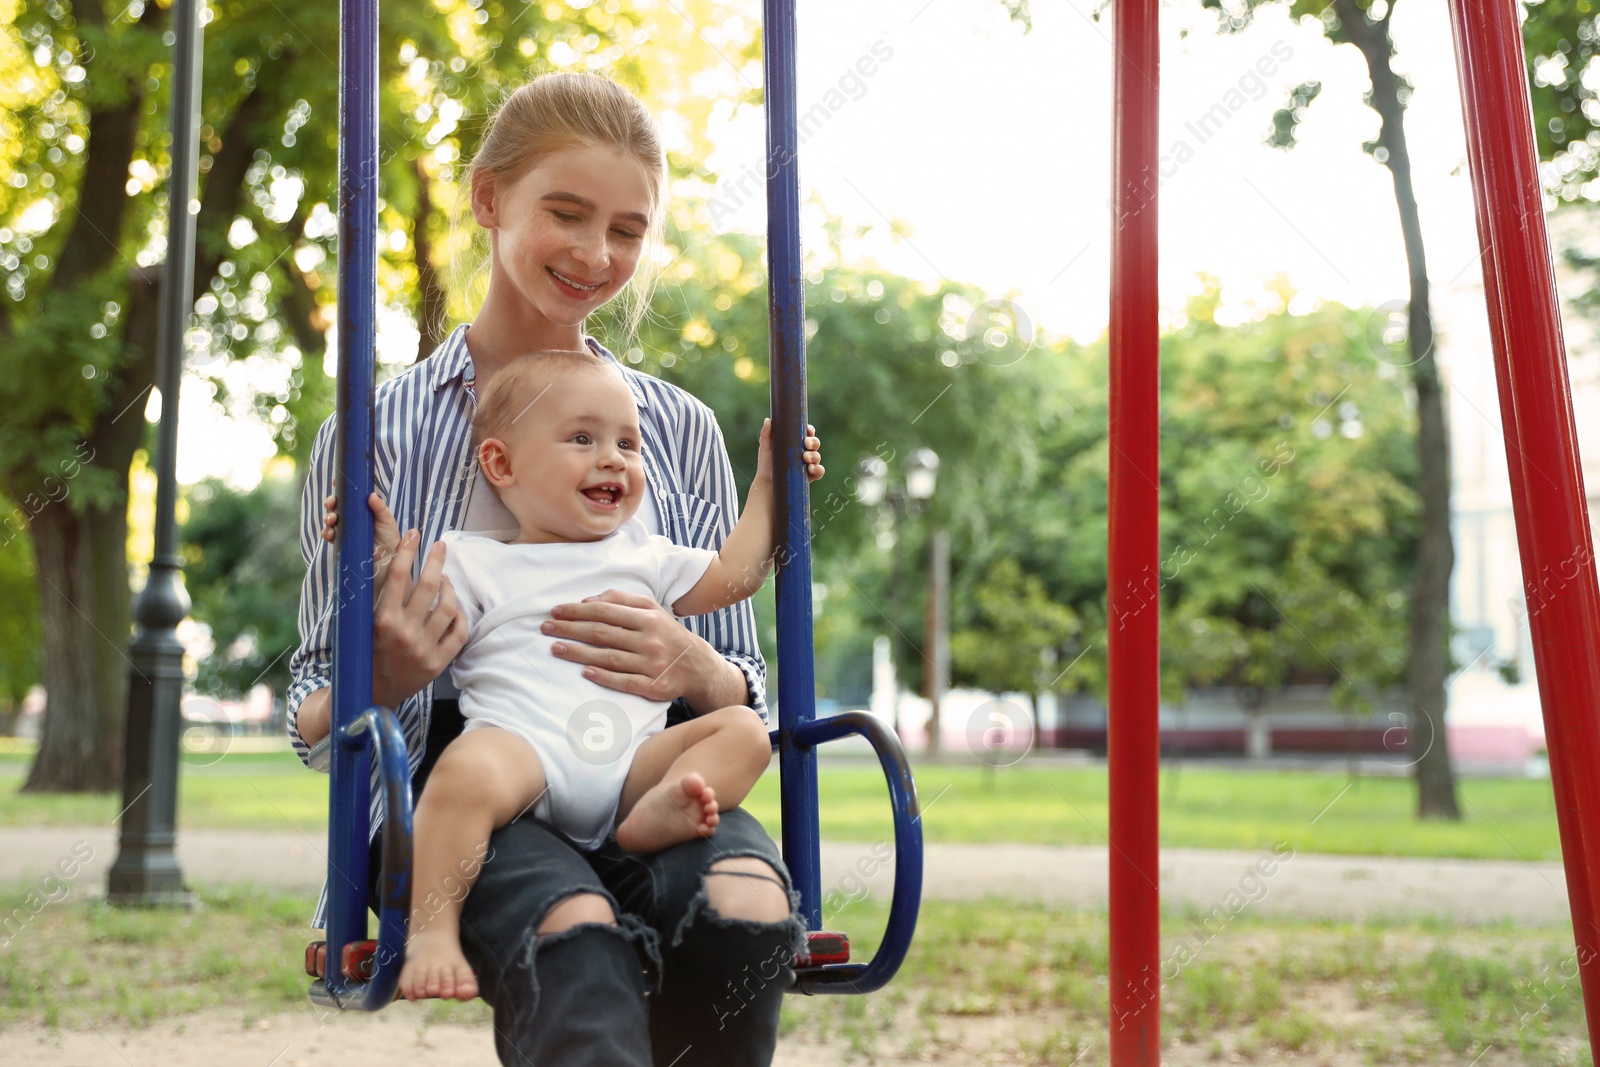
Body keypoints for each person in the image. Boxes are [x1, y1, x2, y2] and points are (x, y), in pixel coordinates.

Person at [287, 71, 812, 1066]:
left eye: (626, 229)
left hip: (648, 772)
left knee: (745, 906)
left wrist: (697, 668)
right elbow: (316, 717)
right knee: (572, 934)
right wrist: (385, 674)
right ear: (489, 200)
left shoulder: (676, 430)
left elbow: (745, 680)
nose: (595, 254)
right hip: (481, 788)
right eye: (565, 214)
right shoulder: (376, 436)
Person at [360, 349, 823, 1001]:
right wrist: (378, 555)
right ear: (502, 464)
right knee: (460, 773)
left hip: (634, 762)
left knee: (745, 729)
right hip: (525, 753)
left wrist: (769, 489)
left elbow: (733, 578)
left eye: (628, 443)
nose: (613, 458)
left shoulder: (645, 553)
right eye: (583, 438)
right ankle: (432, 929)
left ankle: (657, 814)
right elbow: (413, 612)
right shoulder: (474, 558)